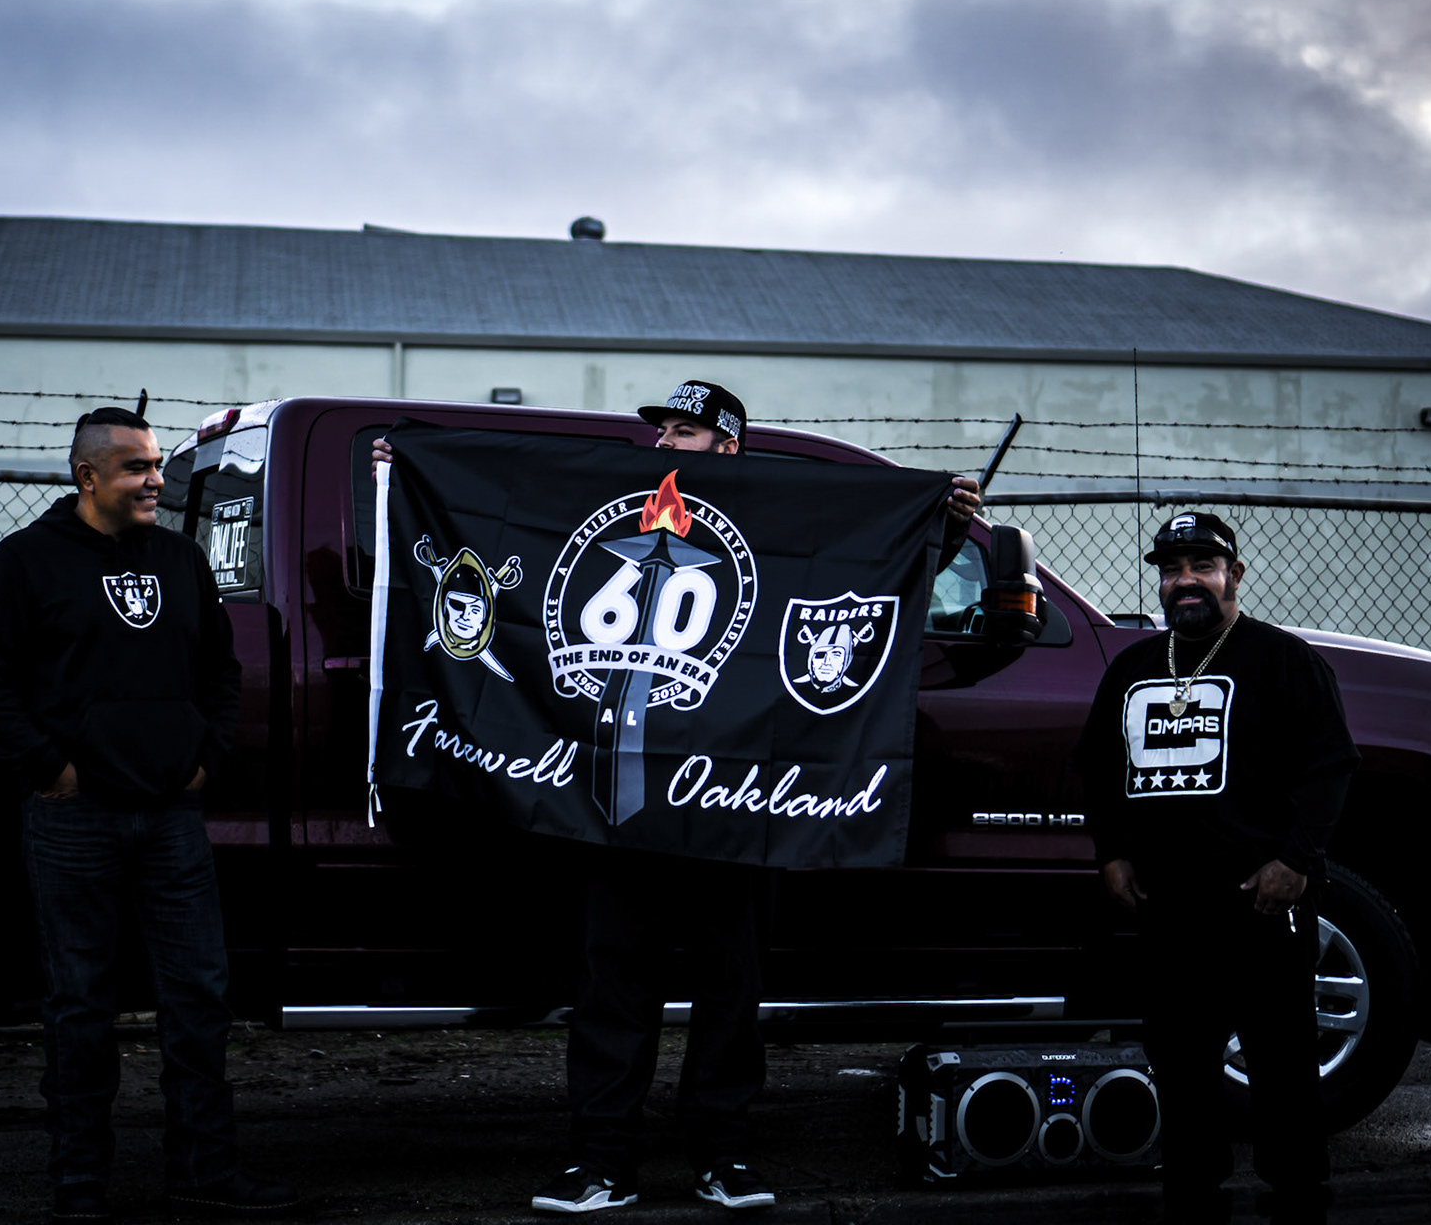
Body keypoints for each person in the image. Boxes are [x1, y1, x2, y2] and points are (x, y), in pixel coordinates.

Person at [373, 381, 981, 1213]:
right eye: (660, 430)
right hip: (620, 808)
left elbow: (865, 563)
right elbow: (510, 509)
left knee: (731, 994)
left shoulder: (778, 510)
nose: (664, 443)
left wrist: (943, 525)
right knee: (612, 990)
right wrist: (413, 469)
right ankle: (602, 1162)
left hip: (734, 809)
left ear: (729, 446)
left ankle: (722, 1156)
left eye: (684, 432)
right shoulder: (622, 498)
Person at [0, 407, 300, 1223]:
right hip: (74, 820)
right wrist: (51, 768)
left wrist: (206, 757)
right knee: (81, 1004)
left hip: (172, 818)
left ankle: (205, 1170)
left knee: (199, 998)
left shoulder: (181, 560)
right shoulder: (26, 561)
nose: (156, 480)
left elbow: (221, 671)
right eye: (137, 468)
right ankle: (80, 1184)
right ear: (88, 476)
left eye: (154, 464)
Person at [1074, 512, 1358, 1225]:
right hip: (1168, 905)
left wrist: (1296, 859)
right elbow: (1099, 768)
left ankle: (1298, 1197)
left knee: (1281, 1059)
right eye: (1172, 570)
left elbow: (1331, 765)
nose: (1185, 581)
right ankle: (1194, 1190)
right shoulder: (1134, 668)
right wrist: (1112, 851)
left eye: (1202, 565)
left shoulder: (1283, 660)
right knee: (1179, 1058)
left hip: (1260, 902)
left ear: (1234, 574)